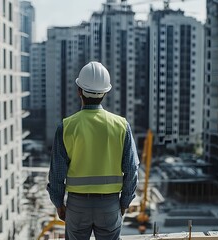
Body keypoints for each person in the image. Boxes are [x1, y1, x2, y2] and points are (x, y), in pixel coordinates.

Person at [47, 61, 140, 240]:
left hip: (77, 205)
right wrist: (124, 203)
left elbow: (57, 173)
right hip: (110, 204)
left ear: (79, 91)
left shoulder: (67, 126)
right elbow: (131, 170)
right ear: (105, 92)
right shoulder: (121, 125)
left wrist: (59, 204)